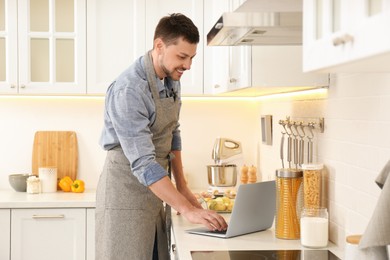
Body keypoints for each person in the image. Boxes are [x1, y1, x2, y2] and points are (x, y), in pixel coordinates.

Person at [96, 13, 228, 260]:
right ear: (159, 46)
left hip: (157, 192)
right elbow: (144, 163)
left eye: (191, 58)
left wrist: (183, 187)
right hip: (125, 194)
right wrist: (186, 209)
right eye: (182, 56)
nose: (188, 65)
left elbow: (172, 132)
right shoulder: (129, 90)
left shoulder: (170, 77)